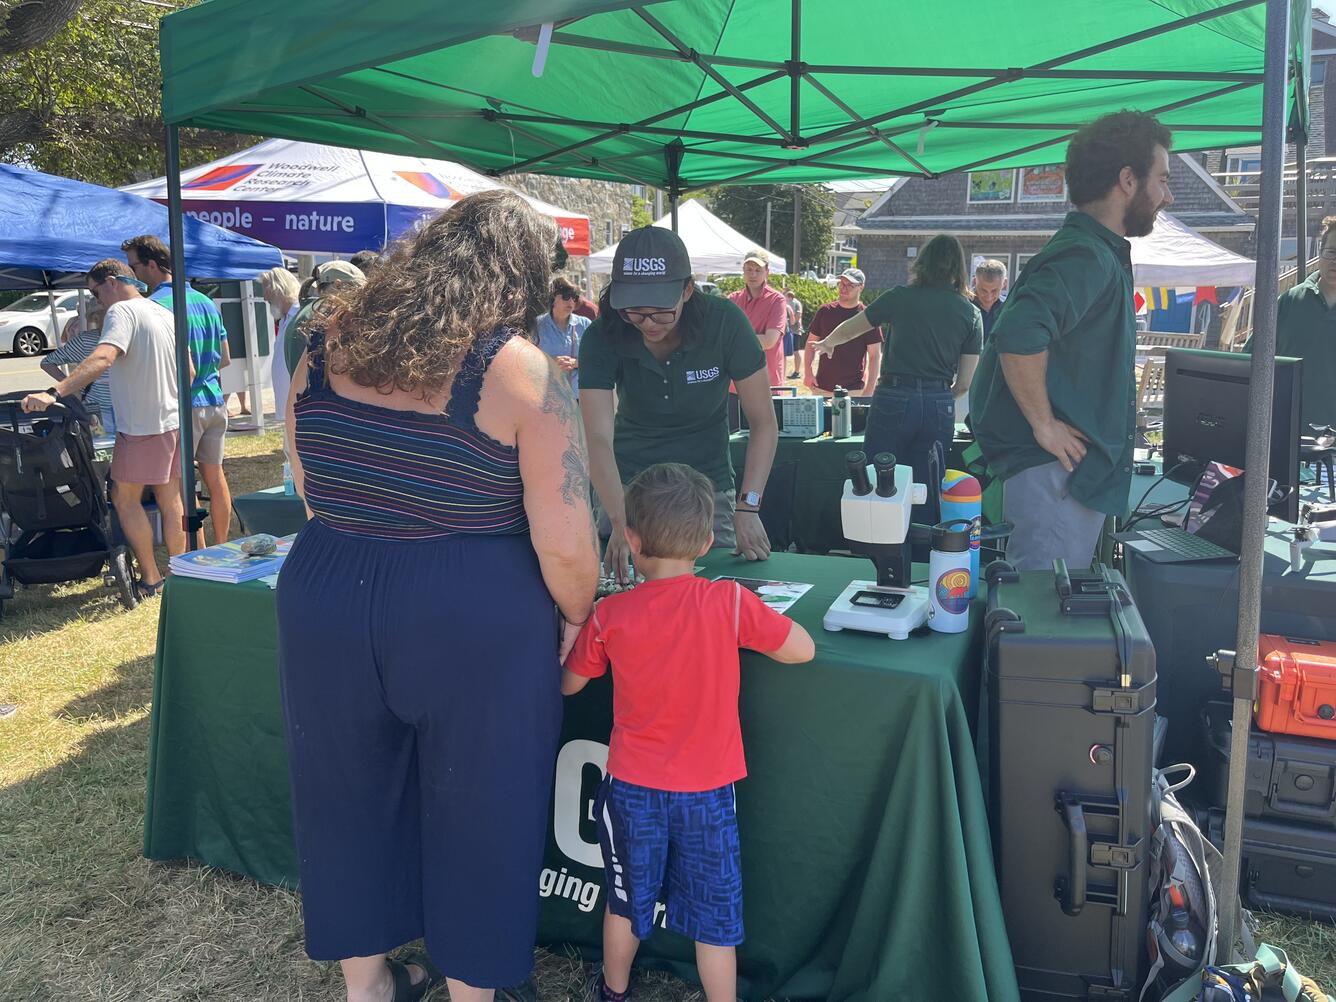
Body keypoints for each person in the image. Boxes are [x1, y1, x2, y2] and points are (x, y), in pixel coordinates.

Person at [278, 189, 598, 1002]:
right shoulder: (521, 370)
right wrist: (576, 614)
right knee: (484, 806)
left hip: (327, 589)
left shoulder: (322, 341)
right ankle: (470, 991)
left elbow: (308, 483)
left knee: (342, 793)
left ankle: (368, 986)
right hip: (472, 611)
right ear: (522, 278)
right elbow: (565, 541)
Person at [561, 462, 814, 1002]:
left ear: (629, 537)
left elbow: (569, 685)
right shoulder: (729, 602)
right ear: (705, 541)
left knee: (625, 901)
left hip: (632, 789)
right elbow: (802, 649)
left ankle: (614, 990)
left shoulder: (612, 614)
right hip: (708, 792)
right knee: (714, 919)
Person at [971, 111, 1174, 570]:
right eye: (1161, 179)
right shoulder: (1086, 254)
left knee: (1047, 614)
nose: (1167, 194)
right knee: (1044, 619)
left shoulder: (1095, 251)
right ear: (1127, 180)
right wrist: (1045, 425)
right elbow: (1019, 336)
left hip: (1063, 473)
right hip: (1055, 471)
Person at [578, 226, 779, 584]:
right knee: (622, 592)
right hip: (626, 484)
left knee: (712, 591)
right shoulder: (603, 333)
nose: (648, 324)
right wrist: (620, 521)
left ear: (687, 290)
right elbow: (595, 438)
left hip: (707, 483)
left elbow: (763, 421)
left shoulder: (725, 323)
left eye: (661, 312)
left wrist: (748, 506)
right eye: (634, 314)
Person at [22, 260, 184, 595]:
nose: (98, 301)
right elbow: (191, 371)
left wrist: (53, 393)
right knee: (171, 499)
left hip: (141, 426)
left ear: (111, 282)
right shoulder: (164, 313)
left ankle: (152, 580)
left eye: (96, 293)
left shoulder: (122, 312)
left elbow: (103, 357)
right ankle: (180, 573)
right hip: (172, 420)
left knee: (124, 499)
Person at [815, 237, 981, 521]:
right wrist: (937, 396)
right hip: (938, 402)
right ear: (959, 268)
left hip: (894, 395)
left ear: (922, 263)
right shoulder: (970, 312)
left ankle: (878, 552)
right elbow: (964, 383)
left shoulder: (900, 296)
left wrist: (828, 342)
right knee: (926, 486)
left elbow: (853, 328)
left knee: (878, 480)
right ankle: (919, 556)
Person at [123, 234, 234, 545]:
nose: (135, 275)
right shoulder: (206, 301)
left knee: (184, 484)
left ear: (152, 265)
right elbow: (225, 357)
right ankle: (223, 544)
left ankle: (200, 553)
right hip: (214, 399)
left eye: (136, 267)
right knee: (216, 478)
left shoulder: (153, 305)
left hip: (182, 404)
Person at [1244, 214, 1336, 432]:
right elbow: (1249, 359)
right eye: (1332, 252)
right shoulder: (1290, 302)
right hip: (1286, 433)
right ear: (1320, 253)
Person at [802, 267, 882, 398]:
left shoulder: (868, 317)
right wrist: (808, 372)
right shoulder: (824, 311)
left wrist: (869, 389)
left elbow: (874, 356)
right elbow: (811, 343)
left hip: (854, 390)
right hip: (822, 387)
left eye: (850, 285)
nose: (844, 288)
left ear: (861, 287)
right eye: (842, 283)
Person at [283, 261, 367, 381]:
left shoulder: (304, 312)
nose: (360, 298)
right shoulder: (328, 314)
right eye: (358, 290)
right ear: (339, 285)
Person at [42, 305, 114, 437]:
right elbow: (47, 362)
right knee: (103, 450)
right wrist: (72, 388)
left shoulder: (132, 338)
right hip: (97, 410)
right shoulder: (86, 340)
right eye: (110, 314)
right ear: (96, 318)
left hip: (131, 408)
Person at [727, 249, 788, 388]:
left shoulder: (777, 300)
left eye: (757, 270)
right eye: (748, 269)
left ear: (767, 271)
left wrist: (734, 339)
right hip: (734, 384)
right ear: (743, 270)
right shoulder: (732, 299)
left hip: (767, 383)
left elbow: (768, 341)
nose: (752, 274)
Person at [259, 267, 302, 425]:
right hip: (289, 407)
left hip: (298, 405)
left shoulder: (299, 315)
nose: (264, 297)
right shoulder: (285, 319)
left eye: (266, 290)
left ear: (278, 289)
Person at [535, 276, 590, 395]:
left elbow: (597, 358)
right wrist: (551, 362)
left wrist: (576, 363)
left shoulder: (585, 324)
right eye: (566, 296)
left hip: (577, 398)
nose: (571, 302)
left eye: (574, 298)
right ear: (553, 297)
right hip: (545, 396)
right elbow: (525, 362)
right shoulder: (537, 326)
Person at [972, 259, 1008, 341]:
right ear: (974, 282)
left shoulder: (1008, 309)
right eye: (983, 290)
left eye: (994, 290)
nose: (989, 297)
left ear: (1004, 284)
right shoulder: (963, 306)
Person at [783, 287, 803, 378]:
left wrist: (792, 323)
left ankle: (797, 371)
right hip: (788, 330)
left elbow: (798, 315)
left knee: (796, 351)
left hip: (795, 331)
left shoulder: (796, 303)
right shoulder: (786, 303)